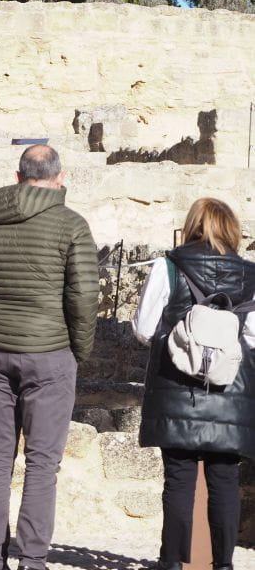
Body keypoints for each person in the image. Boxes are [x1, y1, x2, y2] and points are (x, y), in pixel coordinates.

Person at [0, 144, 99, 570]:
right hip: (51, 353)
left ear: (18, 176)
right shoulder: (72, 226)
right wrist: (79, 348)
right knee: (42, 463)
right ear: (60, 176)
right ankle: (32, 560)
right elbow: (84, 296)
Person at [133, 197, 255, 570]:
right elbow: (253, 338)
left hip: (177, 387)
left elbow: (143, 329)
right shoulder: (251, 274)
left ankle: (171, 563)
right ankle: (222, 565)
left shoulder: (168, 266)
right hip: (230, 391)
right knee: (224, 481)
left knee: (179, 480)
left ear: (192, 226)